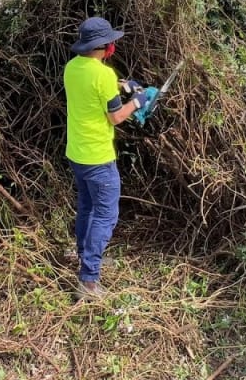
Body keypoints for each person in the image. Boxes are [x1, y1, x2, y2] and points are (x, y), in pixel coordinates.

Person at [63, 17, 147, 299]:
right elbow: (115, 116)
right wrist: (138, 100)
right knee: (105, 216)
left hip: (77, 153)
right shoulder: (103, 76)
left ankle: (85, 257)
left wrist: (122, 87)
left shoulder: (72, 68)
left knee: (86, 208)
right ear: (104, 46)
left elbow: (92, 95)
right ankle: (88, 282)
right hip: (98, 157)